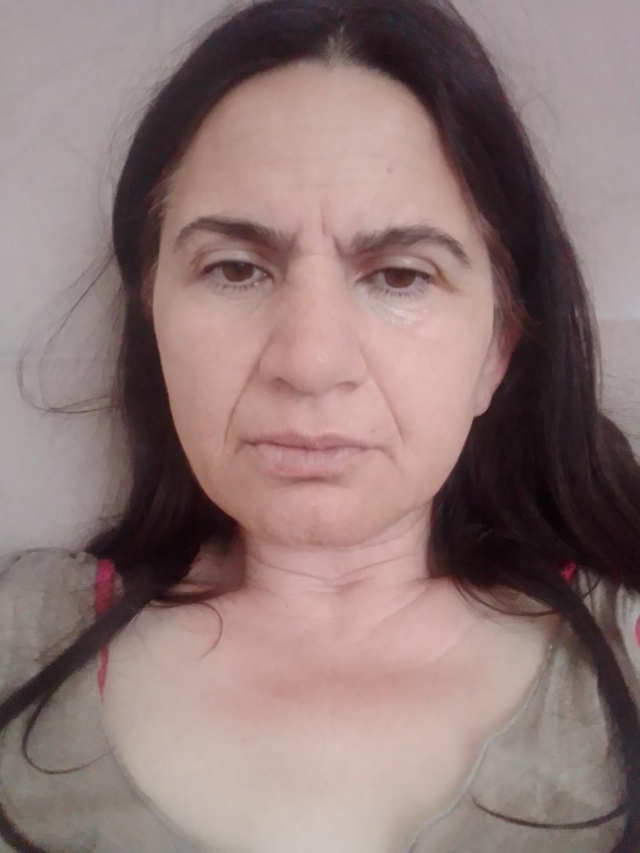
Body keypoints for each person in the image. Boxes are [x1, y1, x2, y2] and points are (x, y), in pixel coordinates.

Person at [1, 1, 639, 851]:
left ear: (497, 348)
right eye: (234, 268)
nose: (308, 361)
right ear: (152, 316)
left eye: (401, 276)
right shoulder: (18, 637)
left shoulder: (625, 653)